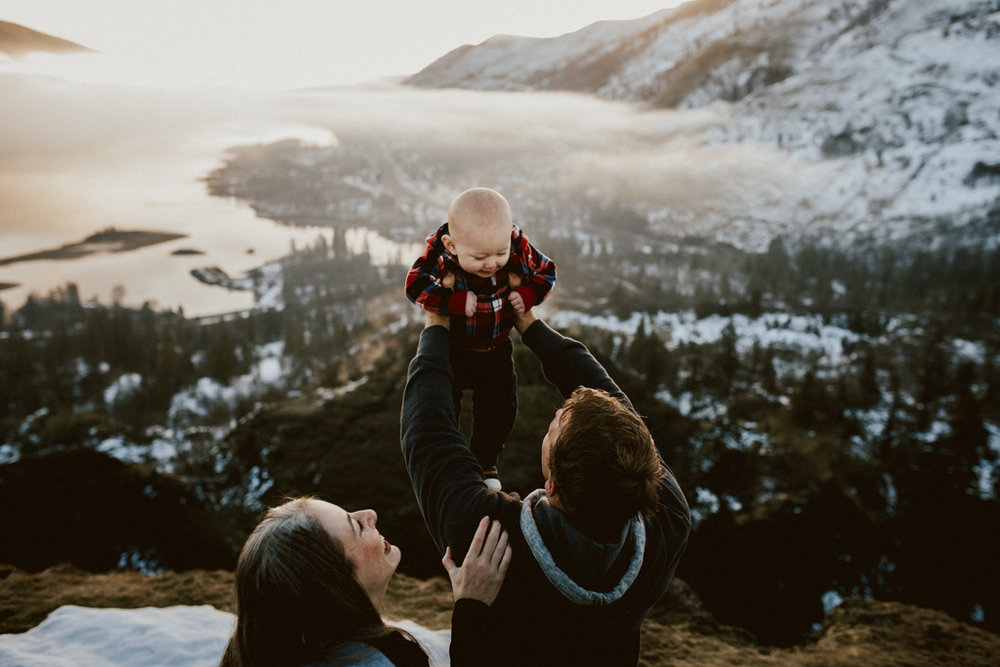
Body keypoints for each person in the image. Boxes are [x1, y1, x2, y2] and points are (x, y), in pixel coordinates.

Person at [401, 306, 692, 666]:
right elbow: (621, 415)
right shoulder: (671, 520)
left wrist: (436, 324)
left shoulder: (490, 542)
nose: (554, 417)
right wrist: (530, 324)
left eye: (554, 430)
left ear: (551, 485)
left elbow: (428, 431)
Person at [220, 496, 511, 667]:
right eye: (356, 526)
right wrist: (473, 613)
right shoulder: (383, 661)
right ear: (336, 585)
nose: (370, 514)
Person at [404, 187, 556, 490]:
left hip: (496, 349)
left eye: (500, 254)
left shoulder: (515, 244)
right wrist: (452, 302)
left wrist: (527, 293)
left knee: (500, 410)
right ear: (452, 244)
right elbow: (414, 285)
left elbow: (546, 272)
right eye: (479, 257)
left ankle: (485, 462)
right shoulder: (441, 254)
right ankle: (452, 464)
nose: (491, 264)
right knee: (447, 408)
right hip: (454, 349)